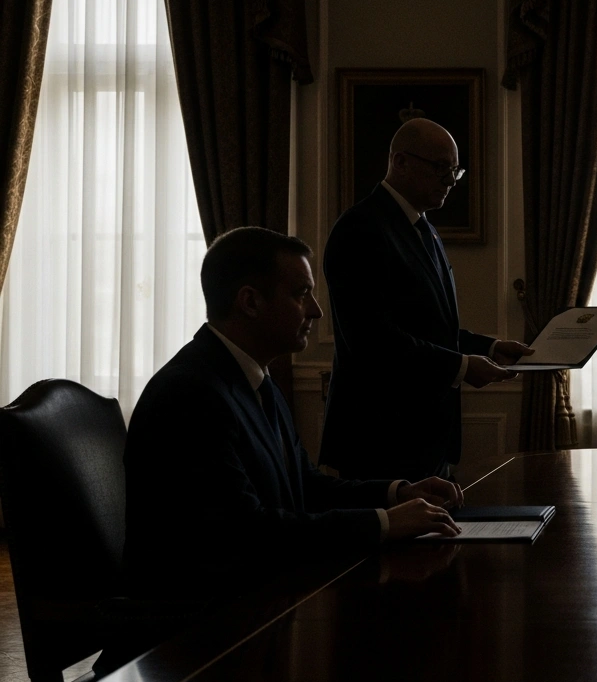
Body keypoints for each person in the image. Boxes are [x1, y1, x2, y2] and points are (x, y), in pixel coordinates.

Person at [123, 228, 467, 601]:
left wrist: (395, 493)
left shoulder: (252, 377)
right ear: (250, 302)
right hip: (196, 631)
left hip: (256, 600)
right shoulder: (190, 394)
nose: (317, 311)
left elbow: (303, 486)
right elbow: (246, 532)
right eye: (302, 294)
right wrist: (383, 524)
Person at [320, 118, 532, 481]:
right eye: (441, 168)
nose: (450, 181)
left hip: (428, 437)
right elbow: (372, 339)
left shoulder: (425, 230)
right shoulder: (361, 228)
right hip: (381, 439)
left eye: (455, 171)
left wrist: (491, 347)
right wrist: (463, 367)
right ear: (400, 162)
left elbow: (430, 327)